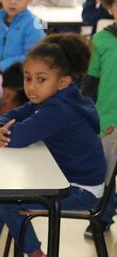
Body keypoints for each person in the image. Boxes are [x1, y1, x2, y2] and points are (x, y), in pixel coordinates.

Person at [0, 33, 110, 257]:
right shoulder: (53, 98)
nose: (31, 87)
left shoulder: (60, 108)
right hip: (62, 177)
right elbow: (13, 115)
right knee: (0, 190)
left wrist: (6, 132)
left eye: (41, 79)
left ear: (63, 82)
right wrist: (0, 126)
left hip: (80, 191)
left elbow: (19, 137)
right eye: (27, 78)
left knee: (7, 201)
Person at [81, 0, 117, 237]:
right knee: (106, 172)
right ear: (110, 7)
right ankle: (102, 216)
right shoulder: (101, 41)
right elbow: (90, 83)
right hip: (108, 122)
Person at [0, 0, 45, 72]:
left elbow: (33, 56)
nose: (12, 2)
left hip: (21, 74)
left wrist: (2, 65)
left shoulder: (34, 24)